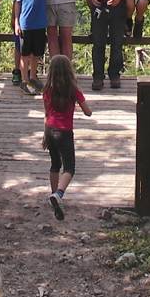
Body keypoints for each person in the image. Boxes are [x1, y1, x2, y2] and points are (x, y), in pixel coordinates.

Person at [41, 54, 92, 221]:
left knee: (55, 164)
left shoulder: (47, 90)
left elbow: (46, 113)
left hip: (50, 130)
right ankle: (58, 194)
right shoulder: (73, 90)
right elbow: (88, 112)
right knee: (69, 168)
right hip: (65, 132)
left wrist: (44, 134)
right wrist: (85, 107)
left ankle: (53, 196)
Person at [12, 0, 52, 94]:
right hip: (26, 24)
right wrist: (16, 22)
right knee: (25, 53)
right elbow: (18, 3)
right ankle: (25, 80)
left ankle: (33, 77)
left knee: (36, 53)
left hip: (40, 24)